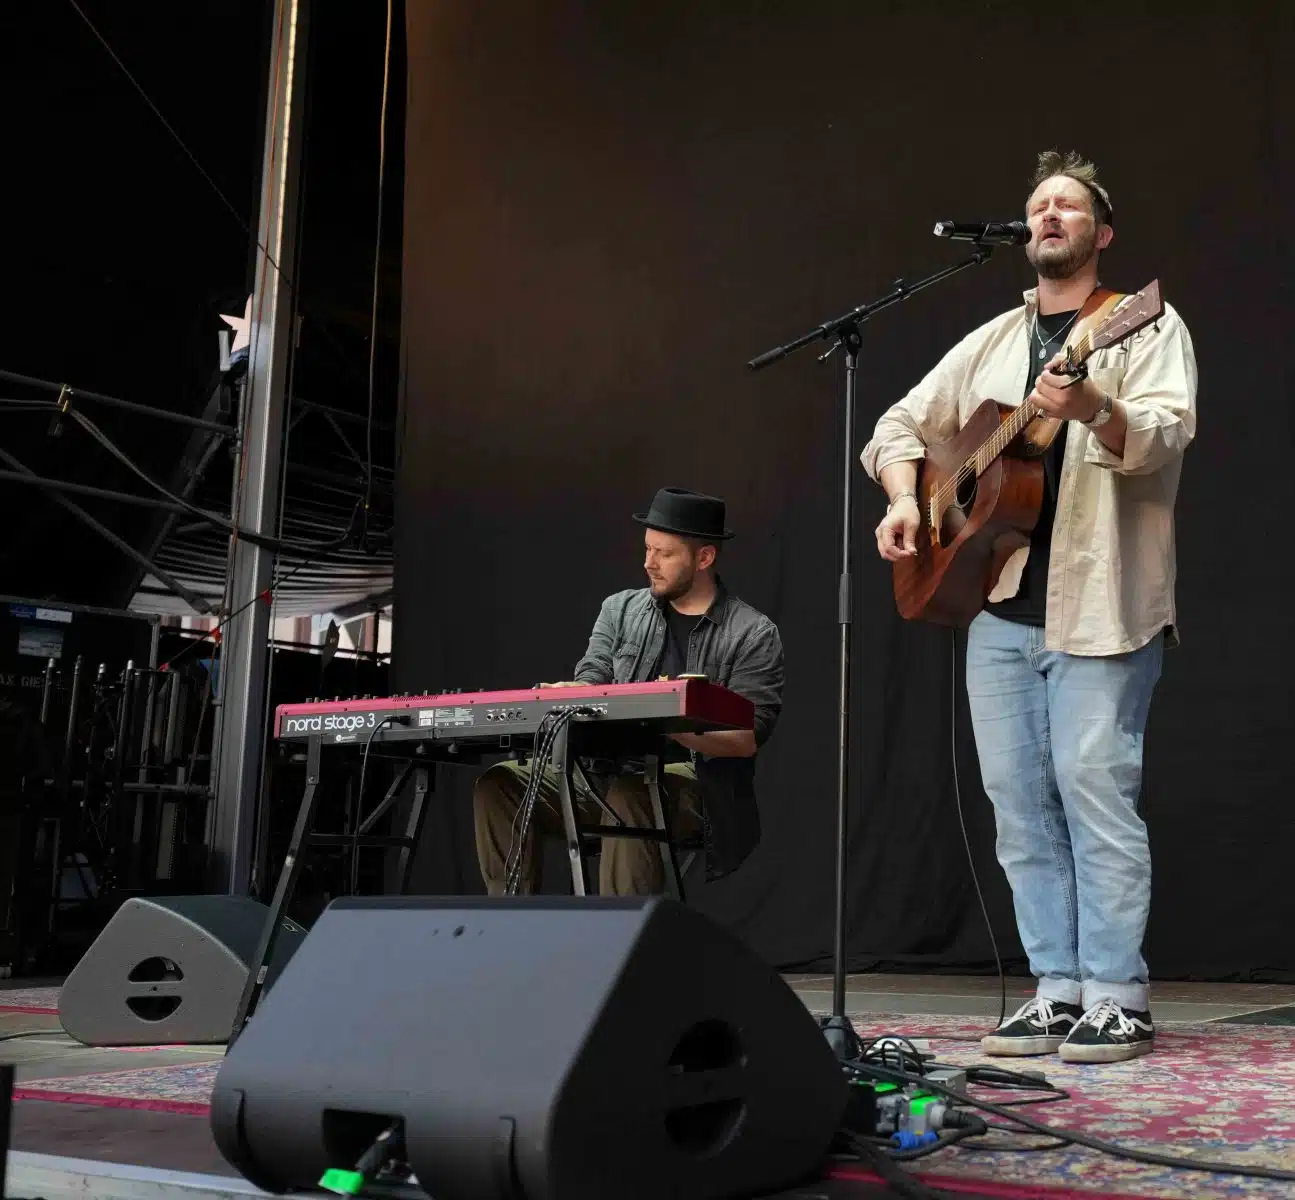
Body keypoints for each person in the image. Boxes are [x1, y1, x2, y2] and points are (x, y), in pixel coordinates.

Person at [860, 151, 1197, 1063]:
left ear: (1101, 233)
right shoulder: (993, 342)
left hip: (1103, 606)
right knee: (1018, 803)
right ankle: (1054, 989)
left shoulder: (1138, 326)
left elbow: (1165, 432)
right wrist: (904, 499)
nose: (1049, 215)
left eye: (1069, 206)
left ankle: (1116, 994)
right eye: (1038, 205)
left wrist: (1092, 406)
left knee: (1095, 791)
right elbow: (898, 425)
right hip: (1001, 613)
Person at [471, 488, 783, 895]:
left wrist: (662, 723)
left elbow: (745, 739)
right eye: (647, 549)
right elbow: (593, 676)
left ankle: (614, 943)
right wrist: (574, 693)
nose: (648, 563)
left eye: (663, 553)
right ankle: (511, 935)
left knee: (631, 794)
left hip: (697, 787)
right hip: (602, 775)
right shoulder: (619, 610)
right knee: (501, 784)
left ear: (704, 558)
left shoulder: (752, 633)